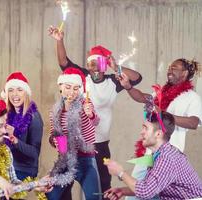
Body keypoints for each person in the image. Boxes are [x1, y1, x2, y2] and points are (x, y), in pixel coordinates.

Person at [48, 26, 142, 198]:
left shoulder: (113, 81)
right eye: (91, 65)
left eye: (99, 64)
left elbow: (137, 78)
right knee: (61, 188)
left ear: (105, 66)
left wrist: (116, 66)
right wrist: (59, 40)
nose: (95, 69)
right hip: (72, 144)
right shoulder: (83, 78)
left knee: (102, 186)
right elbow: (63, 62)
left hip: (99, 146)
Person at [118, 58, 202, 200]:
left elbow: (194, 122)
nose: (169, 69)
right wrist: (128, 86)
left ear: (185, 73)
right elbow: (142, 98)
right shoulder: (161, 93)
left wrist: (164, 116)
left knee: (151, 193)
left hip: (168, 155)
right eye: (169, 67)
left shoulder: (192, 97)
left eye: (174, 68)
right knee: (134, 194)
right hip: (149, 153)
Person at [104, 111, 202, 200]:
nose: (141, 132)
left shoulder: (166, 158)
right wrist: (123, 191)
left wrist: (120, 172)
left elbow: (146, 191)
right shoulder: (159, 154)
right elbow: (151, 186)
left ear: (158, 134)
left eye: (145, 128)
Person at [47, 67, 101, 200]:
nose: (71, 92)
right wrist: (57, 142)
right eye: (68, 87)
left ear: (80, 90)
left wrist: (90, 114)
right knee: (51, 195)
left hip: (86, 159)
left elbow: (95, 122)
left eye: (76, 88)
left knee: (94, 197)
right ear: (61, 86)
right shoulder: (55, 112)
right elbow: (54, 135)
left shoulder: (85, 104)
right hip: (65, 160)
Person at [1, 71, 44, 181]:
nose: (15, 94)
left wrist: (14, 139)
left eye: (19, 90)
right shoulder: (8, 114)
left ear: (26, 93)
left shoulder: (34, 117)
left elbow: (35, 153)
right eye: (11, 90)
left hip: (25, 170)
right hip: (9, 166)